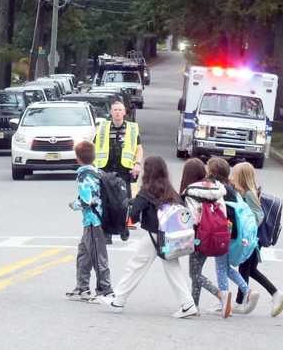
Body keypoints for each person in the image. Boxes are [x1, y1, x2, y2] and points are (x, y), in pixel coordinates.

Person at [98, 156, 197, 319]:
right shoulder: (169, 189)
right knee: (173, 269)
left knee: (135, 265)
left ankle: (119, 300)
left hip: (154, 234)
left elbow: (134, 213)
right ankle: (188, 304)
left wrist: (127, 203)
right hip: (170, 235)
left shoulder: (147, 190)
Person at [230, 162, 283, 317]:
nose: (232, 176)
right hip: (251, 238)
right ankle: (274, 294)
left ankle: (240, 301)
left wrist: (248, 227)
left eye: (234, 174)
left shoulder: (250, 194)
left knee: (245, 268)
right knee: (251, 270)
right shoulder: (246, 192)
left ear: (241, 177)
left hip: (251, 239)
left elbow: (258, 214)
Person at [206, 157, 259, 317]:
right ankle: (247, 291)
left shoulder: (216, 189)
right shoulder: (232, 189)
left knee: (221, 268)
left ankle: (224, 300)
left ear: (212, 173)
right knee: (227, 267)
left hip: (222, 233)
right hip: (234, 233)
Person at [65, 141, 113, 303]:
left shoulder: (84, 175)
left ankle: (105, 290)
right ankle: (82, 287)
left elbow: (87, 200)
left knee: (98, 256)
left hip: (93, 221)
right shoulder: (96, 172)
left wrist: (74, 205)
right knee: (84, 254)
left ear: (78, 158)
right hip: (94, 221)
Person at [178, 158, 226, 315]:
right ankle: (195, 306)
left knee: (194, 273)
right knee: (196, 269)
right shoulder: (215, 189)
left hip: (198, 235)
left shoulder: (190, 192)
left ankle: (220, 294)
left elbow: (189, 217)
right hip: (214, 234)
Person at [94, 99, 143, 188]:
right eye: (115, 110)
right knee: (106, 199)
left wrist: (137, 164)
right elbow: (92, 147)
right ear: (111, 112)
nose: (117, 112)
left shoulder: (132, 128)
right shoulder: (102, 128)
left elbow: (139, 149)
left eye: (120, 110)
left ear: (124, 112)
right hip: (105, 170)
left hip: (124, 171)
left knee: (125, 200)